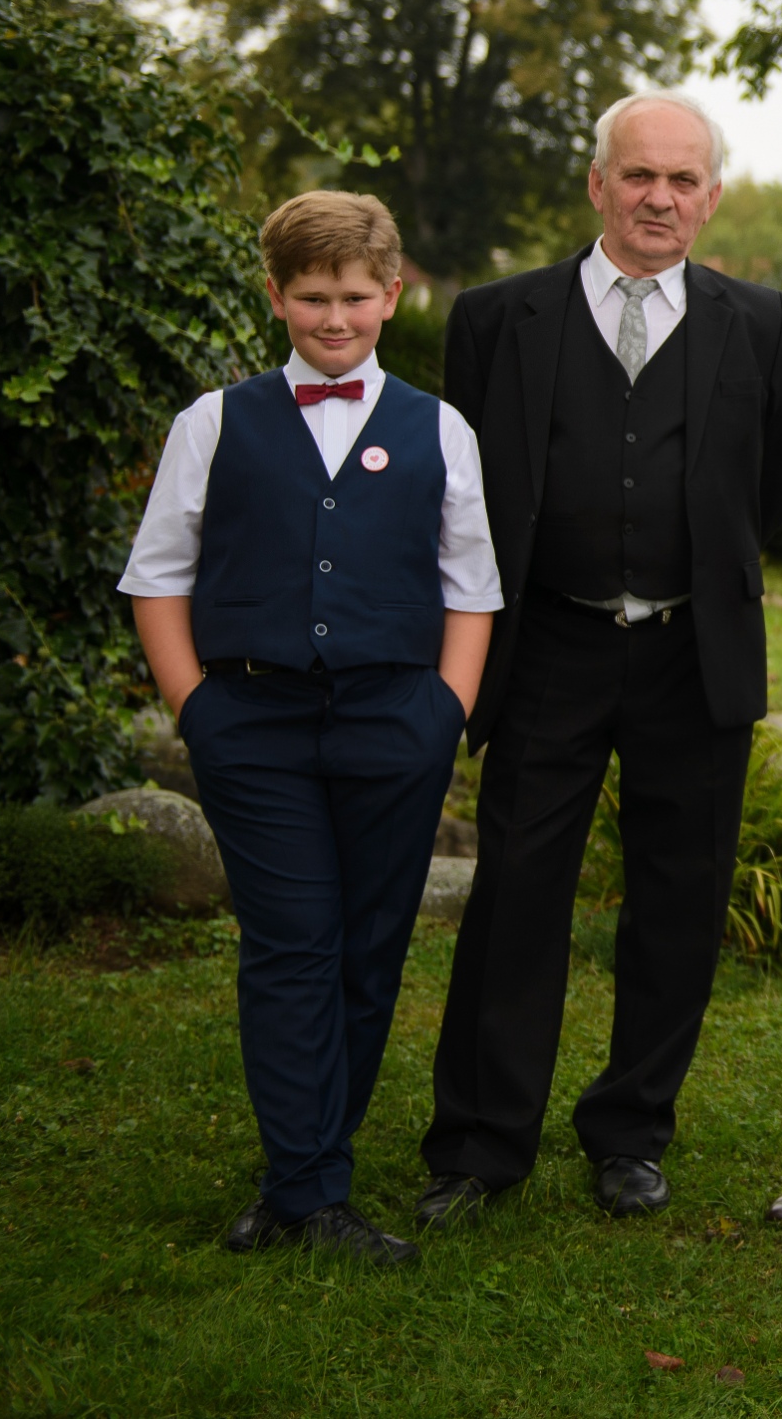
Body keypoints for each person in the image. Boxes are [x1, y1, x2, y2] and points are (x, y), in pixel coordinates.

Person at [415, 91, 782, 1228]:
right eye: (639, 175)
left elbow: (770, 486)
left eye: (683, 180)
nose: (659, 198)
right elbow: (465, 494)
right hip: (549, 644)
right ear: (597, 184)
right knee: (515, 892)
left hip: (694, 651)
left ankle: (631, 1130)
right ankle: (481, 1142)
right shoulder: (497, 319)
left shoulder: (758, 321)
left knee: (679, 901)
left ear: (711, 197)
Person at [121, 191, 500, 1264]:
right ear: (277, 296)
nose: (335, 318)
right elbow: (158, 576)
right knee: (291, 943)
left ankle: (303, 1171)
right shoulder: (214, 421)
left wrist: (444, 713)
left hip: (396, 721)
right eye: (313, 297)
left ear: (392, 296)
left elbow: (471, 589)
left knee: (369, 949)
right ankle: (310, 1190)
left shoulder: (440, 428)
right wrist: (197, 707)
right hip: (253, 722)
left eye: (355, 297)